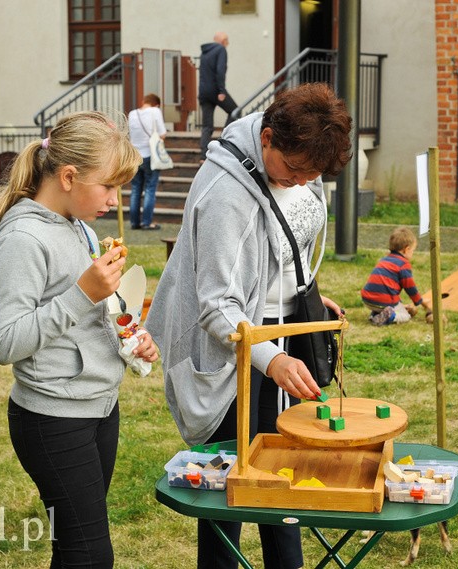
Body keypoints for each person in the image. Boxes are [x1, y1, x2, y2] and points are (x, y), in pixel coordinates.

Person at [147, 83, 352, 569]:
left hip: (277, 336)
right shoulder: (226, 194)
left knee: (283, 486)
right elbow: (217, 304)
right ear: (266, 139)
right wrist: (273, 359)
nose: (302, 182)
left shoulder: (299, 157)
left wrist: (305, 299)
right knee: (232, 492)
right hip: (235, 353)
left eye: (313, 175)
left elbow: (278, 250)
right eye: (295, 171)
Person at [0, 111, 159, 569]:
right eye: (108, 187)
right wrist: (83, 294)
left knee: (79, 549)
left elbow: (92, 313)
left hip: (99, 407)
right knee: (90, 554)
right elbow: (5, 341)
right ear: (69, 176)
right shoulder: (22, 237)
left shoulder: (78, 225)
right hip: (53, 419)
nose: (115, 200)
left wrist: (132, 332)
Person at [361, 226, 433, 326]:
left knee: (393, 304)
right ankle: (389, 316)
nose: (412, 253)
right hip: (382, 301)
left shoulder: (384, 260)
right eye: (413, 250)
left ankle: (375, 315)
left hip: (367, 299)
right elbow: (410, 288)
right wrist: (421, 302)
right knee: (405, 316)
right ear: (406, 250)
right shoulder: (403, 264)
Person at [128, 93, 167, 230]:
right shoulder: (155, 111)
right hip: (150, 155)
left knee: (135, 189)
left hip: (135, 156)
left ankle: (134, 222)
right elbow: (162, 134)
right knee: (150, 189)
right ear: (156, 104)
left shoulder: (132, 114)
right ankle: (146, 222)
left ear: (144, 101)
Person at [198, 31, 238, 162]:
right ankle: (223, 142)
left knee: (207, 126)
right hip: (215, 90)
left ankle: (204, 156)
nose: (228, 43)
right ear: (222, 41)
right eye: (227, 40)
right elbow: (220, 71)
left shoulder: (204, 52)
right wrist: (221, 91)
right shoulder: (220, 49)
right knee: (235, 111)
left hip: (204, 92)